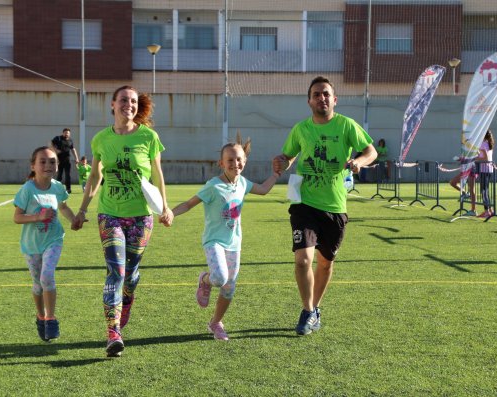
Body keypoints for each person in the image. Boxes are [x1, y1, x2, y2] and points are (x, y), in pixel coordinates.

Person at [71, 85, 174, 358]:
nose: (129, 104)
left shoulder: (149, 137)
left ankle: (127, 297)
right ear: (112, 104)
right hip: (109, 214)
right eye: (124, 100)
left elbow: (157, 173)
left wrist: (165, 207)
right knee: (115, 271)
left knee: (130, 274)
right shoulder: (101, 139)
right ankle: (113, 332)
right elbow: (94, 177)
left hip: (141, 216)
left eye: (133, 101)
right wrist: (82, 210)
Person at [273, 76, 377, 336]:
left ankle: (315, 308)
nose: (322, 98)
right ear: (309, 100)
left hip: (335, 205)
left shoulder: (346, 126)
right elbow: (288, 155)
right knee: (302, 259)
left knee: (326, 263)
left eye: (326, 94)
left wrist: (359, 162)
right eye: (317, 94)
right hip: (304, 204)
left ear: (335, 99)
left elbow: (371, 151)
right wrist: (281, 161)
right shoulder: (301, 129)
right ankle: (307, 311)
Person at [172, 135, 279, 341]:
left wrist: (275, 174)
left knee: (229, 288)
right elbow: (188, 203)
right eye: (230, 160)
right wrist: (171, 214)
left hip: (234, 243)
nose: (235, 163)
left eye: (239, 159)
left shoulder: (243, 184)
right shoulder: (213, 186)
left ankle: (215, 323)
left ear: (244, 161)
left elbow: (264, 189)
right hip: (214, 241)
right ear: (221, 163)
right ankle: (204, 279)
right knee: (219, 278)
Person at [13, 146, 76, 342]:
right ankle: (40, 316)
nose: (48, 165)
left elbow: (63, 207)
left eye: (52, 161)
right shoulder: (27, 190)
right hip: (32, 244)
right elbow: (17, 218)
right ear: (33, 165)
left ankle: (51, 319)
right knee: (37, 285)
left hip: (53, 239)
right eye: (43, 161)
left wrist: (74, 220)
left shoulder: (58, 187)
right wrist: (38, 216)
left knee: (47, 276)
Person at [51, 127, 79, 194]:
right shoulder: (58, 138)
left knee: (68, 175)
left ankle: (68, 189)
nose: (67, 134)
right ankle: (57, 189)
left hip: (67, 160)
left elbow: (73, 149)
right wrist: (55, 150)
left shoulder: (70, 140)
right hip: (58, 160)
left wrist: (76, 158)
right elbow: (51, 144)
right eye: (66, 133)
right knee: (59, 175)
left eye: (68, 133)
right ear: (63, 133)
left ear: (70, 134)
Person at [476, 130, 495, 218]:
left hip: (484, 170)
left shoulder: (483, 144)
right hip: (489, 170)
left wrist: (475, 160)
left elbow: (485, 158)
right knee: (486, 191)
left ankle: (487, 212)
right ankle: (490, 211)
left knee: (483, 191)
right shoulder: (488, 143)